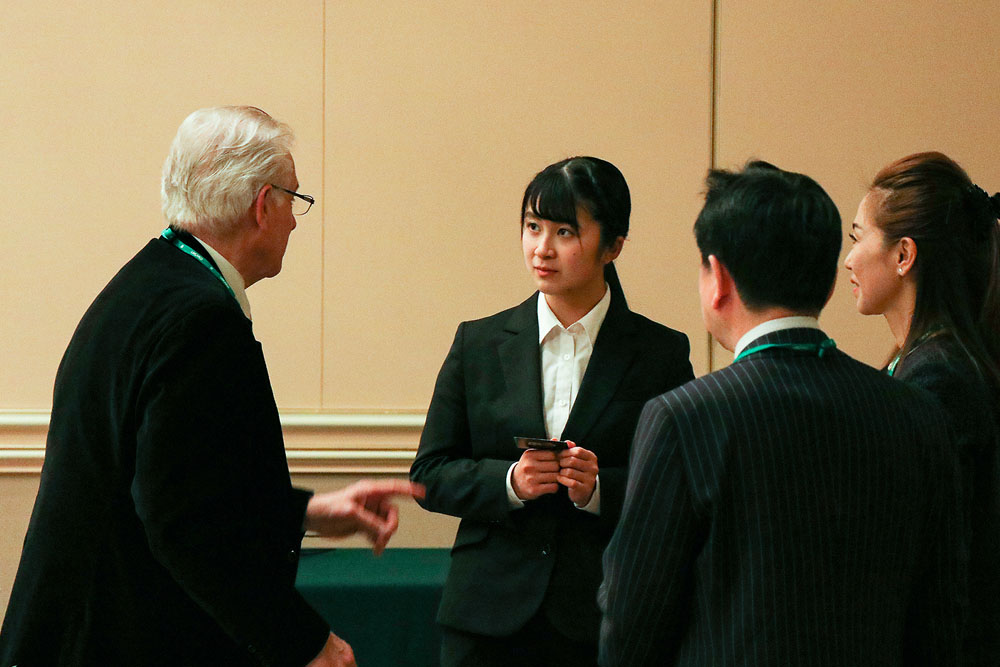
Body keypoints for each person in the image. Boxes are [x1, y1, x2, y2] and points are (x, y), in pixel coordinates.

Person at [0, 106, 422, 667]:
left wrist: (308, 512)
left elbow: (184, 482)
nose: (296, 220)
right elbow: (185, 523)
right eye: (294, 200)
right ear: (260, 206)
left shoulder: (146, 284)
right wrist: (304, 642)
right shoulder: (200, 319)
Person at [598, 160, 965, 666]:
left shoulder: (683, 419)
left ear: (718, 279)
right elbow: (941, 617)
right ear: (828, 285)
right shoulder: (915, 412)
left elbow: (631, 621)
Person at [410, 156, 694, 666]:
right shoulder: (478, 343)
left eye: (565, 231)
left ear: (614, 246)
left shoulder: (659, 353)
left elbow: (684, 486)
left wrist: (599, 489)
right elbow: (429, 476)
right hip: (486, 619)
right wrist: (510, 483)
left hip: (603, 614)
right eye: (532, 227)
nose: (542, 248)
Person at [844, 151, 1000, 666]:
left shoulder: (939, 378)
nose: (849, 259)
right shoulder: (923, 361)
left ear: (903, 254)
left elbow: (939, 561)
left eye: (858, 237)